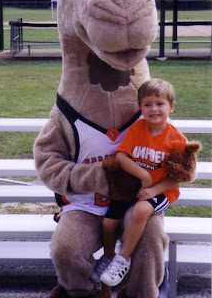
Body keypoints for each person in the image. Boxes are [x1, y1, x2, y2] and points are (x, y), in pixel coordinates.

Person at [92, 78, 187, 287]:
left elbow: (178, 176)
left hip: (163, 191)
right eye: (147, 104)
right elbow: (122, 157)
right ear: (140, 107)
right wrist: (144, 176)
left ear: (171, 107)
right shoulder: (137, 129)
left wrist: (153, 189)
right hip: (133, 187)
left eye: (160, 103)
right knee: (108, 224)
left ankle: (122, 258)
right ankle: (108, 258)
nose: (154, 109)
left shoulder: (177, 140)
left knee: (141, 210)